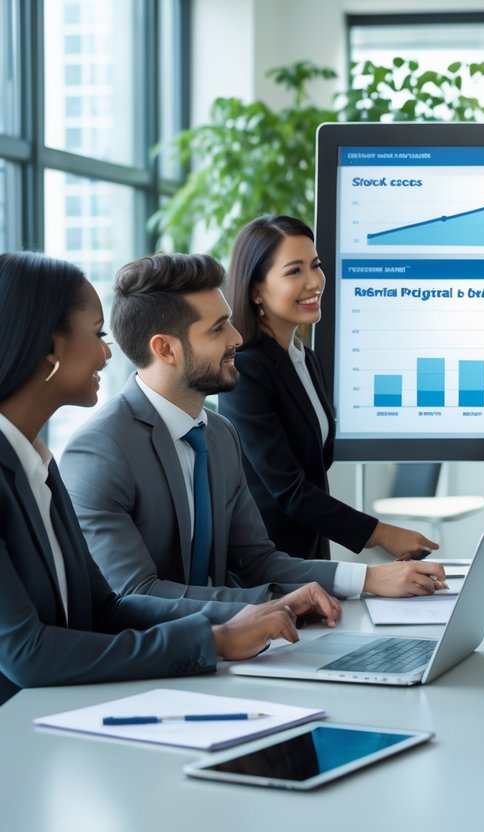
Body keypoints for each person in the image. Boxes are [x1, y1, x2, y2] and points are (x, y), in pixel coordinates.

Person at [0, 252, 342, 705]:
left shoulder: (36, 464)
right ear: (50, 347)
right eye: (98, 334)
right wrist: (214, 641)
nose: (108, 351)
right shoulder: (82, 451)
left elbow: (106, 608)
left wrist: (236, 621)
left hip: (66, 716)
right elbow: (26, 653)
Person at [59, 252, 448, 604]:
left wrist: (368, 578)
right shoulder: (101, 451)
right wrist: (269, 606)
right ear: (165, 349)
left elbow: (257, 561)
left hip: (224, 654)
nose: (237, 338)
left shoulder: (220, 434)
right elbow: (138, 594)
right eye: (218, 329)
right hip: (147, 671)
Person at [218, 215, 436, 561]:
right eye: (294, 271)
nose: (314, 282)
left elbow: (315, 469)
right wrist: (380, 533)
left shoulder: (307, 359)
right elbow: (289, 489)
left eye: (315, 266)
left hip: (310, 553)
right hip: (268, 567)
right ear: (256, 290)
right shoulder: (246, 369)